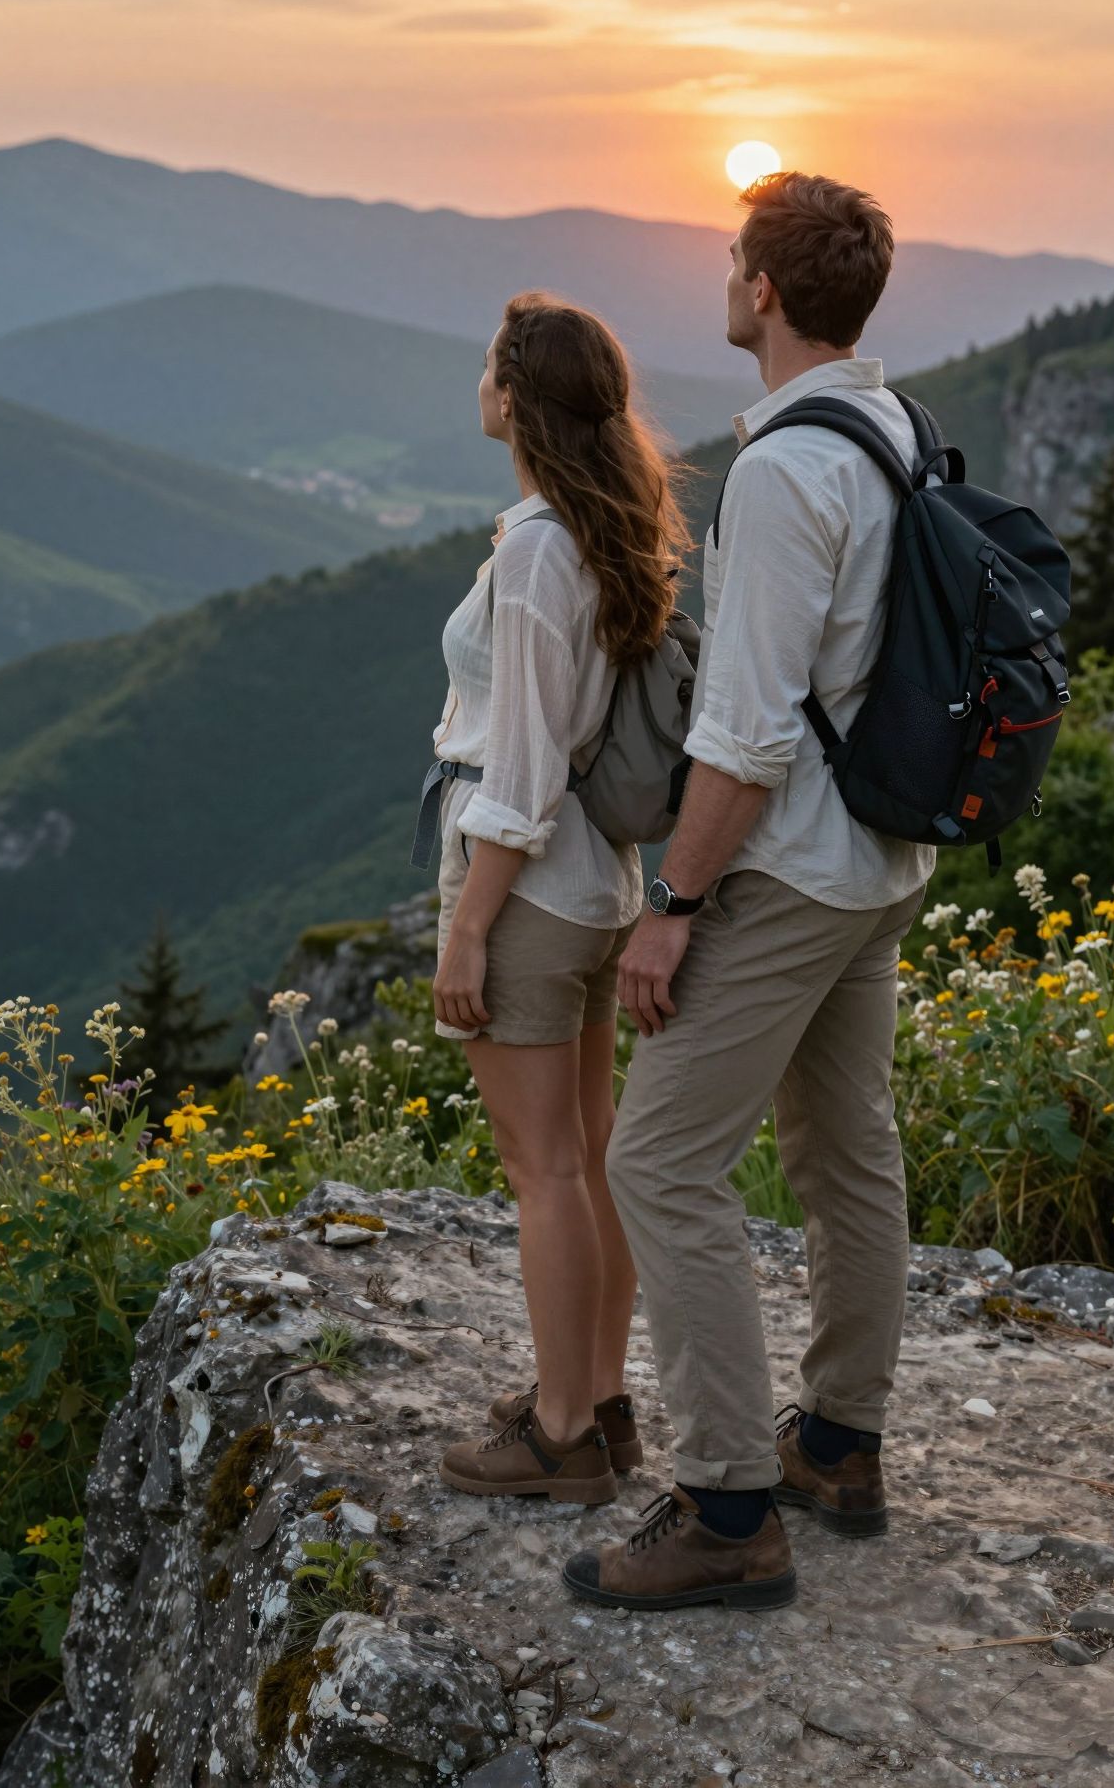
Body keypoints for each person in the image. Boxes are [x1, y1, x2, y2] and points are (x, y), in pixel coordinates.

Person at [563, 171, 934, 1612]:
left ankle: (727, 1506)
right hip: (882, 861)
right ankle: (837, 1443)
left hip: (787, 867)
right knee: (847, 1150)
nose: (724, 279)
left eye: (733, 260)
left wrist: (674, 901)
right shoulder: (893, 424)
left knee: (659, 1162)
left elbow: (751, 730)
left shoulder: (786, 469)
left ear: (765, 292)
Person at [412, 291, 689, 1507]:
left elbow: (517, 778)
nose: (479, 379)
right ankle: (600, 1398)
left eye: (490, 365)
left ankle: (565, 1431)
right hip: (596, 886)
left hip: (526, 885)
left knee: (547, 1169)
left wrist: (467, 928)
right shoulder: (592, 530)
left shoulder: (533, 553)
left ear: (517, 397)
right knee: (589, 1150)